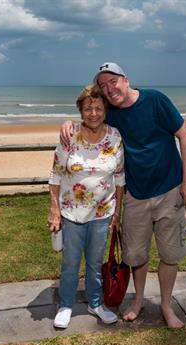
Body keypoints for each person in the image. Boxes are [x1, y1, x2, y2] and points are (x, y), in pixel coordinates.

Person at [61, 62, 186, 328]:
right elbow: (91, 116)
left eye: (113, 82)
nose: (109, 89)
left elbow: (184, 136)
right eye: (103, 85)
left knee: (170, 254)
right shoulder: (111, 113)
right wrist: (68, 122)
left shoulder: (155, 100)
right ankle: (138, 301)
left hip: (169, 190)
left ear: (126, 79)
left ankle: (167, 307)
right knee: (136, 255)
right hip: (135, 194)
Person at [48, 84, 125, 329]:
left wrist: (117, 213)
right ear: (81, 111)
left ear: (105, 111)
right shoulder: (69, 136)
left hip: (103, 213)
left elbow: (120, 177)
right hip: (71, 213)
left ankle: (95, 302)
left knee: (94, 262)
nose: (94, 113)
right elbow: (56, 175)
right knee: (70, 263)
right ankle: (66, 305)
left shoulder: (115, 137)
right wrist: (54, 210)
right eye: (88, 108)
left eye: (99, 108)